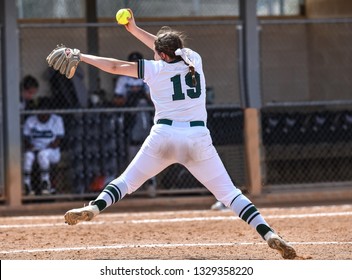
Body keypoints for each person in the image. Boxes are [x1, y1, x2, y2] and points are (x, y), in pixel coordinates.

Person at [62, 9, 297, 259]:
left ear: (162, 55)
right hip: (197, 137)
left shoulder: (155, 69)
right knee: (229, 194)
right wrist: (133, 29)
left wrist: (80, 56)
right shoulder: (194, 58)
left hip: (164, 136)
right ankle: (268, 233)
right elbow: (167, 48)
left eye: (157, 52)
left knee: (126, 182)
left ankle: (96, 207)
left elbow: (114, 66)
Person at [23, 97, 65, 195]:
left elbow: (57, 142)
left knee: (42, 154)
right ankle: (27, 185)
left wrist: (44, 147)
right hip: (34, 149)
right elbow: (25, 138)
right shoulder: (31, 120)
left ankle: (45, 183)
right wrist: (30, 145)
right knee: (28, 156)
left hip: (51, 152)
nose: (43, 115)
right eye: (41, 112)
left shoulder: (57, 120)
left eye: (46, 112)